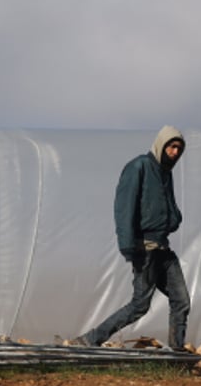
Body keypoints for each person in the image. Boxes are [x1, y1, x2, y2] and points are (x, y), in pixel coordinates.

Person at [77, 126, 190, 349]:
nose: (175, 152)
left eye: (179, 148)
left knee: (181, 301)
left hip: (163, 249)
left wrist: (174, 218)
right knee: (140, 305)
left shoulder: (166, 173)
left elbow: (168, 206)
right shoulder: (139, 167)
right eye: (172, 146)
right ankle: (90, 339)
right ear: (161, 144)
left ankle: (176, 351)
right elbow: (124, 207)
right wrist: (128, 246)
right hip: (144, 248)